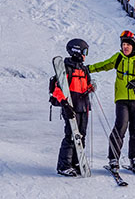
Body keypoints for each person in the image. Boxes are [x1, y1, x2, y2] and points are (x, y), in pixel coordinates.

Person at [88, 30, 135, 173]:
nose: (125, 47)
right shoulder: (119, 58)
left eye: (128, 45)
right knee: (120, 127)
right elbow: (104, 65)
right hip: (122, 99)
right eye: (123, 44)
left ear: (134, 46)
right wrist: (88, 69)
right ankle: (113, 159)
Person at [52, 39, 93, 177]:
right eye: (84, 52)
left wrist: (90, 88)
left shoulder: (83, 69)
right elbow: (57, 90)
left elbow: (85, 85)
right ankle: (64, 166)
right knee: (70, 136)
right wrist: (65, 105)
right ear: (76, 51)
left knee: (81, 136)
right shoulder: (66, 68)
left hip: (83, 108)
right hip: (71, 107)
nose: (85, 55)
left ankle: (77, 162)